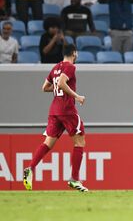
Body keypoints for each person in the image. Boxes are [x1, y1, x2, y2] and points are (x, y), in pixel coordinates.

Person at [22, 44, 88, 192]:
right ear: (74, 53)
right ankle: (74, 179)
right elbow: (62, 82)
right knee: (80, 142)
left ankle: (30, 168)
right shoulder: (70, 67)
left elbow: (45, 87)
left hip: (54, 110)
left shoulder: (55, 67)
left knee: (48, 143)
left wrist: (58, 87)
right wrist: (77, 96)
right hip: (67, 109)